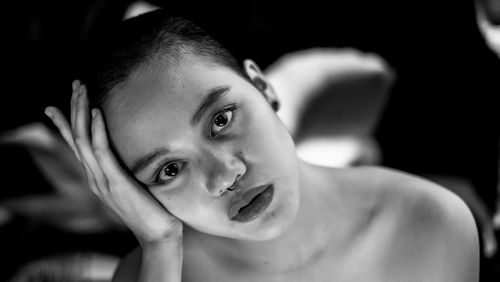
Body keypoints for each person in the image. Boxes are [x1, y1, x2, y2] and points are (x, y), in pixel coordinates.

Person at [44, 9, 479, 282]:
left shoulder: (429, 223)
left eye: (220, 119)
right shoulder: (153, 274)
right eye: (169, 170)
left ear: (263, 86)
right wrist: (158, 250)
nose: (225, 175)